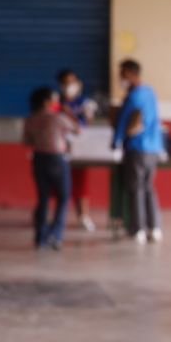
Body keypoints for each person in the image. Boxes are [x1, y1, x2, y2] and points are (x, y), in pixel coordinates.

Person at [111, 59, 164, 244]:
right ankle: (155, 228)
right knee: (148, 187)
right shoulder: (150, 92)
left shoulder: (133, 96)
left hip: (136, 148)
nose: (120, 78)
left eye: (123, 74)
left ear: (131, 74)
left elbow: (122, 122)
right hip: (153, 149)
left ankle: (138, 229)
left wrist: (115, 142)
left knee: (135, 189)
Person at [23, 87, 80, 250]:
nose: (57, 103)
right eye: (55, 100)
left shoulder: (31, 118)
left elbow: (27, 141)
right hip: (57, 159)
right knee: (63, 197)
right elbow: (77, 129)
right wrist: (67, 112)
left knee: (43, 198)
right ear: (47, 101)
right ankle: (55, 235)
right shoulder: (58, 117)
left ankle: (40, 237)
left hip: (39, 159)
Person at [57, 69, 98, 232]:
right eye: (65, 83)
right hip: (59, 148)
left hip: (80, 149)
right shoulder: (54, 102)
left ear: (78, 83)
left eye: (72, 82)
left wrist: (69, 114)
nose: (69, 86)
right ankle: (57, 217)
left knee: (81, 182)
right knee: (58, 184)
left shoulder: (85, 103)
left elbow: (85, 123)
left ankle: (83, 216)